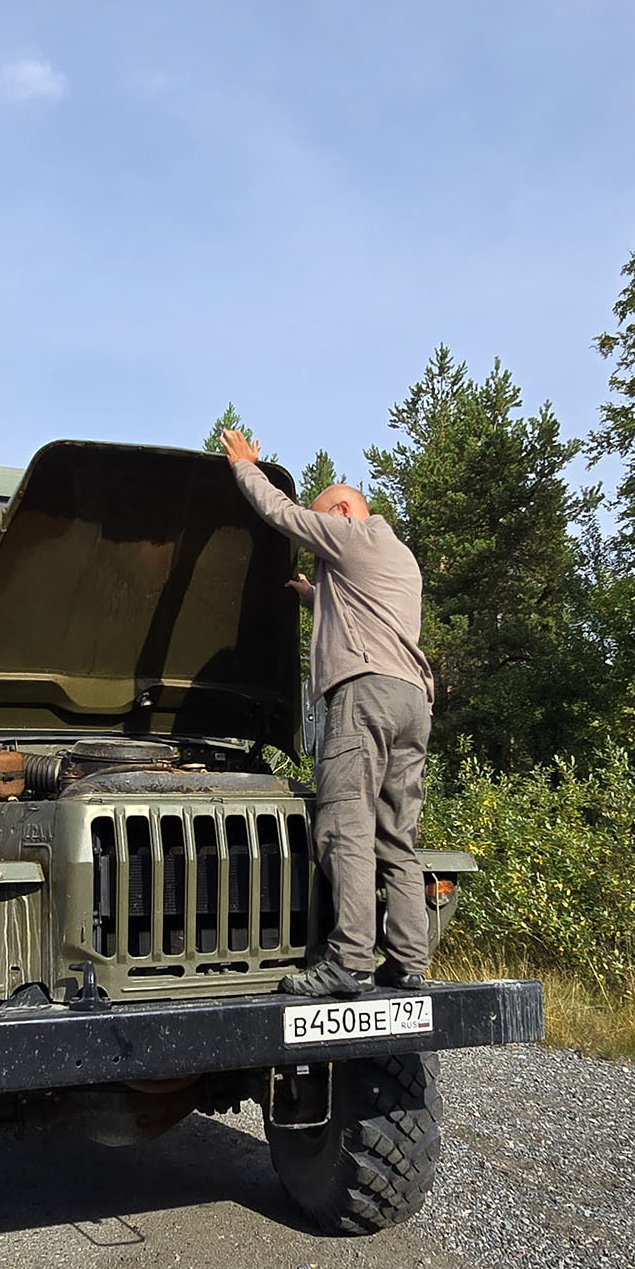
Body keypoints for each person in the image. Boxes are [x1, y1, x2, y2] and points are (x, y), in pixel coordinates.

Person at [220, 426, 434, 998]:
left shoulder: (351, 534)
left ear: (341, 510)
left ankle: (349, 962)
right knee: (397, 835)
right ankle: (410, 963)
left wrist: (246, 467)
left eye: (325, 523)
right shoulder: (400, 558)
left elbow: (281, 514)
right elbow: (368, 615)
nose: (319, 544)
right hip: (411, 701)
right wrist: (313, 596)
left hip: (362, 700)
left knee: (346, 828)